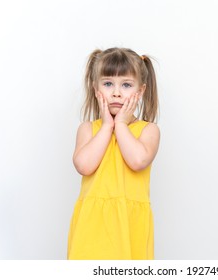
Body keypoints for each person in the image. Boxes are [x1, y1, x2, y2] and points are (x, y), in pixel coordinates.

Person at [67, 47, 160, 260]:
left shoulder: (148, 130)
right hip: (91, 224)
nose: (116, 92)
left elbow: (137, 160)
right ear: (95, 88)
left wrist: (121, 125)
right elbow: (84, 165)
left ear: (141, 90)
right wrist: (107, 125)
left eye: (126, 85)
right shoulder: (88, 129)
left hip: (129, 224)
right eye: (108, 84)